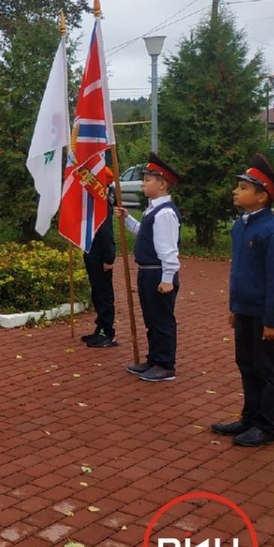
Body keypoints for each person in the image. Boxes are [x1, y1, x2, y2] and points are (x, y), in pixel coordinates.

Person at [211, 154, 274, 446]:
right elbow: (238, 270)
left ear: (262, 196)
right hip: (245, 310)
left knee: (270, 371)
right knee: (247, 364)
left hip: (266, 315)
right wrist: (234, 307)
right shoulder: (240, 226)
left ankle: (266, 426)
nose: (235, 192)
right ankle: (250, 417)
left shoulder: (272, 230)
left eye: (243, 188)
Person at [115, 152, 183, 382]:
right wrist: (127, 218)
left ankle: (166, 364)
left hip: (157, 273)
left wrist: (167, 278)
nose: (143, 183)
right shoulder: (152, 209)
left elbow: (168, 250)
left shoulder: (164, 213)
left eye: (148, 179)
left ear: (162, 184)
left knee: (162, 320)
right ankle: (154, 358)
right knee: (152, 319)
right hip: (147, 272)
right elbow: (144, 233)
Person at [82, 185, 119, 348]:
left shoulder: (101, 204)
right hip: (92, 253)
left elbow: (106, 233)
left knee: (103, 293)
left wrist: (109, 258)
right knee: (97, 292)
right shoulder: (93, 202)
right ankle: (100, 327)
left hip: (101, 256)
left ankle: (106, 331)